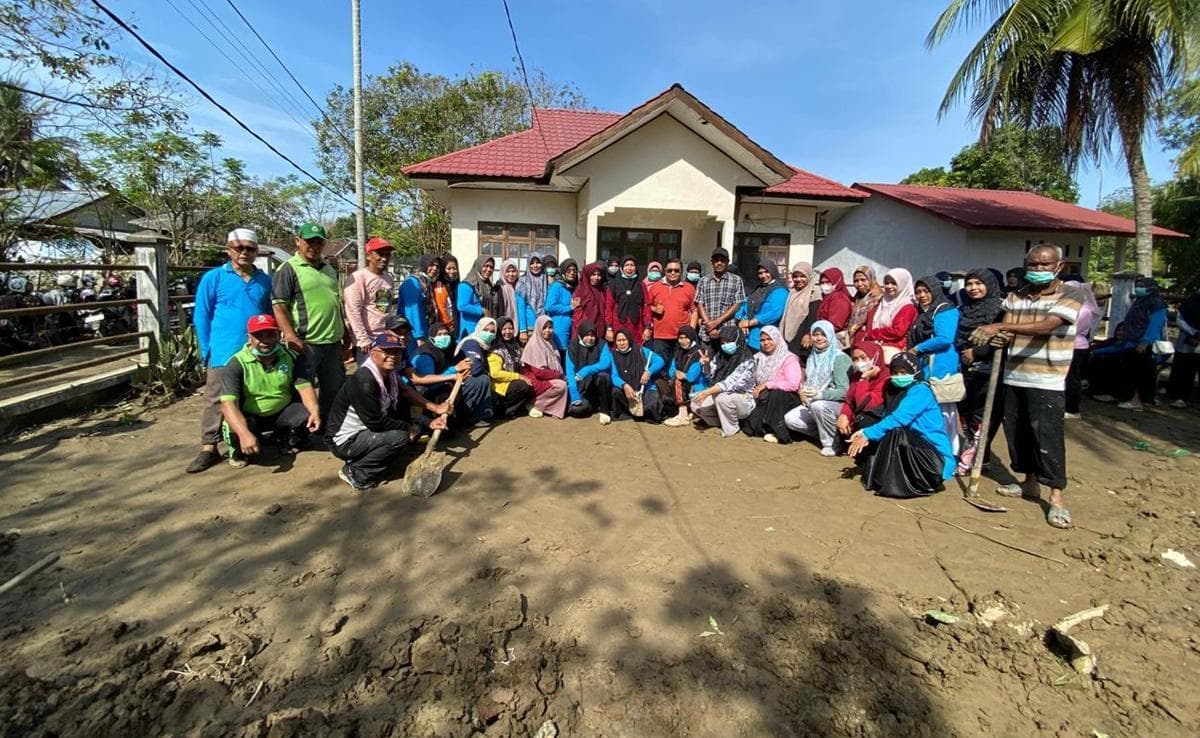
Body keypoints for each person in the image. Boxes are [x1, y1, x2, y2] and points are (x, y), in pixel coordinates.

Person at [974, 244, 1084, 529]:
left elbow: (1048, 325)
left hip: (1047, 377)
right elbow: (1008, 327)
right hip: (1014, 374)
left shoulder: (1070, 293)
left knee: (1046, 436)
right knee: (1018, 433)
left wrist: (1001, 328)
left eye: (1044, 265)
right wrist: (1001, 336)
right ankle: (1029, 482)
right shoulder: (1016, 295)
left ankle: (1056, 496)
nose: (1037, 269)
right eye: (1033, 264)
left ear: (1058, 266)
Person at [187, 228, 273, 473]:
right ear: (228, 250)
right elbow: (201, 316)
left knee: (250, 395)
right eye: (239, 247)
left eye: (250, 248)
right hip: (223, 349)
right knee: (216, 398)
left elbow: (269, 314)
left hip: (255, 351)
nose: (244, 252)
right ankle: (209, 446)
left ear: (256, 251)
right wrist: (206, 350)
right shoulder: (214, 278)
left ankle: (241, 440)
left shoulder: (265, 281)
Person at [325, 334, 449, 491]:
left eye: (396, 352)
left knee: (416, 428)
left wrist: (429, 422)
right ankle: (356, 472)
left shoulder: (390, 377)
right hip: (344, 441)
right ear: (373, 353)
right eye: (386, 351)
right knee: (400, 437)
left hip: (365, 430)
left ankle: (369, 458)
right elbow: (375, 423)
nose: (392, 356)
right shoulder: (364, 381)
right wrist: (408, 428)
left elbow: (401, 402)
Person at [219, 314, 321, 468]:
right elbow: (228, 404)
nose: (265, 340)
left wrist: (314, 411)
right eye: (259, 336)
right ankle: (238, 450)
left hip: (281, 411)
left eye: (270, 334)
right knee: (232, 425)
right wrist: (244, 434)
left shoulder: (290, 356)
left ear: (279, 335)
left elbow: (304, 386)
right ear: (249, 338)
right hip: (251, 415)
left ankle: (284, 438)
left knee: (307, 413)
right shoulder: (235, 364)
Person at [847, 353, 955, 498]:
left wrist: (868, 434)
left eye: (903, 372)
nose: (898, 376)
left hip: (934, 457)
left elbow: (899, 418)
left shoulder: (921, 391)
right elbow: (878, 410)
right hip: (913, 445)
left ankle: (899, 485)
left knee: (896, 431)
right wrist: (863, 430)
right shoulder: (893, 389)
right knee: (870, 421)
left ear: (914, 371)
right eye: (895, 372)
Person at [271, 222, 347, 424]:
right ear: (298, 241)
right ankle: (300, 431)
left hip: (332, 341)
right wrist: (290, 335)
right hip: (306, 343)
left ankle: (328, 428)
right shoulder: (288, 269)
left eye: (318, 242)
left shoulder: (329, 269)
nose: (314, 246)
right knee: (302, 389)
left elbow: (336, 302)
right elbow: (279, 306)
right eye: (309, 241)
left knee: (334, 389)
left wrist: (345, 332)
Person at [954, 267, 1005, 475]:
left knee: (982, 417)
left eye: (978, 283)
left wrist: (977, 352)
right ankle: (979, 457)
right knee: (965, 413)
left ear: (989, 285)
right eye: (969, 284)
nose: (973, 288)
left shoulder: (1000, 309)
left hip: (987, 370)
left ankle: (972, 459)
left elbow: (1002, 339)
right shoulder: (965, 308)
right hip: (965, 369)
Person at [1089, 276, 1168, 410]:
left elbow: (1156, 324)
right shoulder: (1140, 301)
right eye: (1138, 285)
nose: (1138, 288)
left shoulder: (1156, 304)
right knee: (1129, 370)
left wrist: (1146, 341)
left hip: (1143, 344)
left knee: (1140, 373)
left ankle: (1137, 400)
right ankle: (1126, 397)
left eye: (1142, 286)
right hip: (1131, 342)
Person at [910, 274, 963, 454]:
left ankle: (948, 452)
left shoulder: (945, 310)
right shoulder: (925, 313)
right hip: (928, 367)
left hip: (941, 368)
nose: (922, 295)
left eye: (926, 291)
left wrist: (917, 348)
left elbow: (945, 338)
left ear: (935, 290)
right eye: (918, 292)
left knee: (944, 412)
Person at [783, 321, 853, 454]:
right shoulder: (813, 356)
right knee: (791, 420)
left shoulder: (839, 358)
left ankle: (832, 444)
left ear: (830, 335)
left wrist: (820, 395)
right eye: (815, 335)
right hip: (813, 401)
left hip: (836, 404)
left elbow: (844, 391)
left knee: (818, 406)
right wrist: (803, 392)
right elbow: (809, 381)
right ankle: (832, 436)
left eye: (823, 334)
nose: (819, 338)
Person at [690, 324, 757, 437]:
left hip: (742, 398)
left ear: (737, 340)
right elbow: (710, 376)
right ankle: (720, 422)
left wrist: (706, 392)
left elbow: (729, 384)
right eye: (723, 342)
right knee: (696, 404)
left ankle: (731, 428)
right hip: (720, 394)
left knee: (722, 398)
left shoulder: (747, 360)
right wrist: (706, 364)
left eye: (728, 341)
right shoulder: (720, 356)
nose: (725, 345)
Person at [741, 325, 804, 443]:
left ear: (776, 338)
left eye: (769, 339)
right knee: (750, 427)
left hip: (786, 399)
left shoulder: (789, 359)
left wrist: (767, 384)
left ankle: (780, 433)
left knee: (776, 394)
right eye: (762, 340)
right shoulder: (758, 357)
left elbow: (793, 384)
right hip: (764, 396)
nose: (766, 343)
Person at [344, 237, 395, 363]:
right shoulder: (358, 278)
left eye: (387, 254)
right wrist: (363, 339)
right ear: (368, 256)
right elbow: (353, 311)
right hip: (367, 341)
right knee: (369, 373)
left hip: (385, 337)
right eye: (380, 254)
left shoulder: (388, 278)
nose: (384, 258)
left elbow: (387, 308)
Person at [855, 267, 918, 361]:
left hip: (892, 352)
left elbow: (897, 331)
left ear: (903, 284)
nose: (889, 286)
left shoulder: (907, 306)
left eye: (893, 283)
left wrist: (871, 334)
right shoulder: (881, 302)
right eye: (886, 283)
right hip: (875, 349)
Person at [609, 327, 666, 423]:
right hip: (628, 391)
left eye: (624, 340)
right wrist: (625, 386)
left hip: (645, 388)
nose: (622, 343)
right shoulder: (613, 355)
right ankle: (629, 413)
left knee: (650, 407)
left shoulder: (641, 350)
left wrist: (649, 372)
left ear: (629, 340)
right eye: (619, 340)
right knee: (615, 392)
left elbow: (660, 361)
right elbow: (614, 376)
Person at [835, 343, 890, 442]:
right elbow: (849, 400)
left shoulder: (886, 378)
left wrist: (864, 379)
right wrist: (844, 414)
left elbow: (865, 404)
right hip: (857, 415)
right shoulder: (856, 375)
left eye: (863, 358)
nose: (859, 362)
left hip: (873, 419)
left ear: (876, 357)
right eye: (855, 359)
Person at [647, 257, 696, 364]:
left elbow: (694, 311)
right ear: (665, 271)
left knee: (680, 366)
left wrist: (690, 331)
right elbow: (646, 307)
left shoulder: (689, 288)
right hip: (660, 336)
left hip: (682, 337)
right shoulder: (655, 287)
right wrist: (655, 309)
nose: (673, 273)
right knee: (660, 366)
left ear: (681, 272)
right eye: (670, 270)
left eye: (676, 270)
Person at [1063, 278, 1100, 418]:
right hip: (1066, 344)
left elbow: (1075, 329)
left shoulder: (1084, 310)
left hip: (1076, 346)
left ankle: (1072, 409)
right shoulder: (1070, 306)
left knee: (1072, 378)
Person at [565, 319, 614, 422]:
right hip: (581, 389)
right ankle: (590, 405)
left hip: (597, 387)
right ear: (581, 334)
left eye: (592, 335)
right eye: (587, 335)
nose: (590, 338)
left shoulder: (601, 344)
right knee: (576, 410)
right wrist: (574, 393)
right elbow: (570, 371)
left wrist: (587, 370)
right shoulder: (573, 346)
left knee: (603, 376)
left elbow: (606, 363)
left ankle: (604, 409)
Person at [521, 315, 569, 418]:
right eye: (544, 327)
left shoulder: (550, 343)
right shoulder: (534, 344)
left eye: (550, 327)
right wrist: (559, 375)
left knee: (566, 385)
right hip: (535, 380)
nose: (548, 330)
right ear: (538, 328)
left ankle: (552, 408)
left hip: (547, 377)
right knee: (561, 386)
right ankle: (534, 403)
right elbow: (539, 372)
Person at [695, 247, 746, 344]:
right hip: (707, 332)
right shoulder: (703, 281)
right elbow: (699, 304)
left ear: (728, 262)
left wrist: (716, 322)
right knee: (706, 354)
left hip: (728, 332)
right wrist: (710, 325)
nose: (719, 263)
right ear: (712, 262)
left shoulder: (736, 280)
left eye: (722, 260)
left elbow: (736, 305)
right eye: (716, 260)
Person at [736, 259, 788, 351]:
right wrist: (743, 320)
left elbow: (775, 313)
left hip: (766, 339)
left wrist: (750, 322)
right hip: (750, 337)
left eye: (766, 272)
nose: (763, 275)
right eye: (760, 273)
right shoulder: (759, 288)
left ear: (773, 271)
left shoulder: (779, 290)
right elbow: (746, 305)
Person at [409, 322, 468, 402]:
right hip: (420, 393)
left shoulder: (447, 350)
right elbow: (427, 381)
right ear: (431, 338)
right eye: (439, 334)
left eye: (446, 333)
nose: (443, 337)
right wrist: (454, 369)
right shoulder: (426, 356)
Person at [488, 317, 535, 418]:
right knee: (523, 386)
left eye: (510, 328)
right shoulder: (496, 349)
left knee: (531, 382)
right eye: (504, 329)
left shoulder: (514, 345)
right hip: (500, 386)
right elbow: (495, 373)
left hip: (511, 382)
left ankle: (512, 409)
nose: (508, 332)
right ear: (498, 331)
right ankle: (504, 410)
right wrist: (519, 376)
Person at [663, 326, 707, 427]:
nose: (683, 341)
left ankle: (683, 414)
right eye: (681, 338)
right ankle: (688, 411)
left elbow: (692, 377)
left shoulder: (698, 352)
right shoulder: (678, 351)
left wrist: (683, 375)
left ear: (691, 337)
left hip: (697, 386)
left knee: (678, 381)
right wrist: (676, 373)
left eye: (686, 338)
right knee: (674, 380)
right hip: (685, 385)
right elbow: (671, 369)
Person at [606, 254, 652, 345]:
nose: (629, 268)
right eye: (627, 265)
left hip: (636, 327)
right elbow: (608, 307)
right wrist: (609, 328)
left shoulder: (641, 285)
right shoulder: (613, 285)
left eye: (632, 265)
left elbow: (646, 306)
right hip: (618, 326)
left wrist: (647, 327)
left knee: (636, 349)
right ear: (622, 267)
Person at [779, 262, 822, 358]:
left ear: (809, 276)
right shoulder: (792, 292)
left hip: (802, 337)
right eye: (795, 276)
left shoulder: (814, 293)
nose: (798, 279)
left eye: (802, 276)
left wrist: (808, 334)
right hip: (788, 335)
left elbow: (813, 317)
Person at [1167, 290, 1200, 407]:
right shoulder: (1192, 302)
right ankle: (1178, 396)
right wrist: (1193, 333)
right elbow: (1180, 318)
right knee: (1183, 369)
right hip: (1186, 341)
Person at [398, 254, 440, 342]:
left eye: (437, 266)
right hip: (413, 334)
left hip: (425, 330)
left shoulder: (427, 283)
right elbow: (412, 311)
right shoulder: (412, 283)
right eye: (431, 265)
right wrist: (418, 336)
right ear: (424, 265)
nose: (435, 268)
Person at [459, 255, 498, 339]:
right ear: (479, 265)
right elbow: (462, 305)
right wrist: (481, 310)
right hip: (470, 329)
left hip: (485, 330)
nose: (489, 269)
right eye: (486, 266)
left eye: (491, 267)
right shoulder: (467, 284)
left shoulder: (488, 285)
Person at [845, 265, 883, 347]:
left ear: (871, 279)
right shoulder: (857, 298)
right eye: (856, 281)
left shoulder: (878, 298)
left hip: (869, 342)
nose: (859, 284)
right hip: (854, 341)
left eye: (863, 280)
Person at [545, 258, 579, 350]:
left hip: (572, 329)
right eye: (569, 270)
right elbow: (549, 306)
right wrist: (570, 307)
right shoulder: (557, 286)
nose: (572, 273)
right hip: (559, 328)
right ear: (563, 271)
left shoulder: (574, 286)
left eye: (574, 270)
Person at [516, 253, 550, 338]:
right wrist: (523, 329)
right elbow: (520, 307)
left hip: (545, 324)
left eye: (538, 262)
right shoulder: (522, 281)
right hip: (530, 324)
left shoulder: (546, 279)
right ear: (528, 264)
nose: (535, 265)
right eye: (532, 263)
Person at [573, 261, 607, 341]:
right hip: (585, 332)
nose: (596, 277)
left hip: (599, 330)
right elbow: (577, 313)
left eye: (598, 275)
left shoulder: (602, 291)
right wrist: (585, 330)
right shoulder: (581, 290)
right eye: (593, 275)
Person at [816, 268, 854, 334]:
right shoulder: (829, 297)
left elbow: (834, 325)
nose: (824, 285)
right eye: (822, 282)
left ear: (837, 282)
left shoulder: (839, 300)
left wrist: (815, 333)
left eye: (828, 282)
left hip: (830, 336)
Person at [497, 259, 526, 334]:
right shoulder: (499, 288)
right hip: (506, 330)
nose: (511, 274)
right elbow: (500, 311)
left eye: (513, 271)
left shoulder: (520, 287)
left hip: (519, 328)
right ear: (503, 272)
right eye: (508, 271)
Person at [434, 254, 460, 337]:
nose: (452, 271)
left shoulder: (456, 284)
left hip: (456, 324)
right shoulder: (440, 285)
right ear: (443, 269)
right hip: (446, 328)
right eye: (448, 268)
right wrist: (449, 326)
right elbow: (441, 308)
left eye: (454, 268)